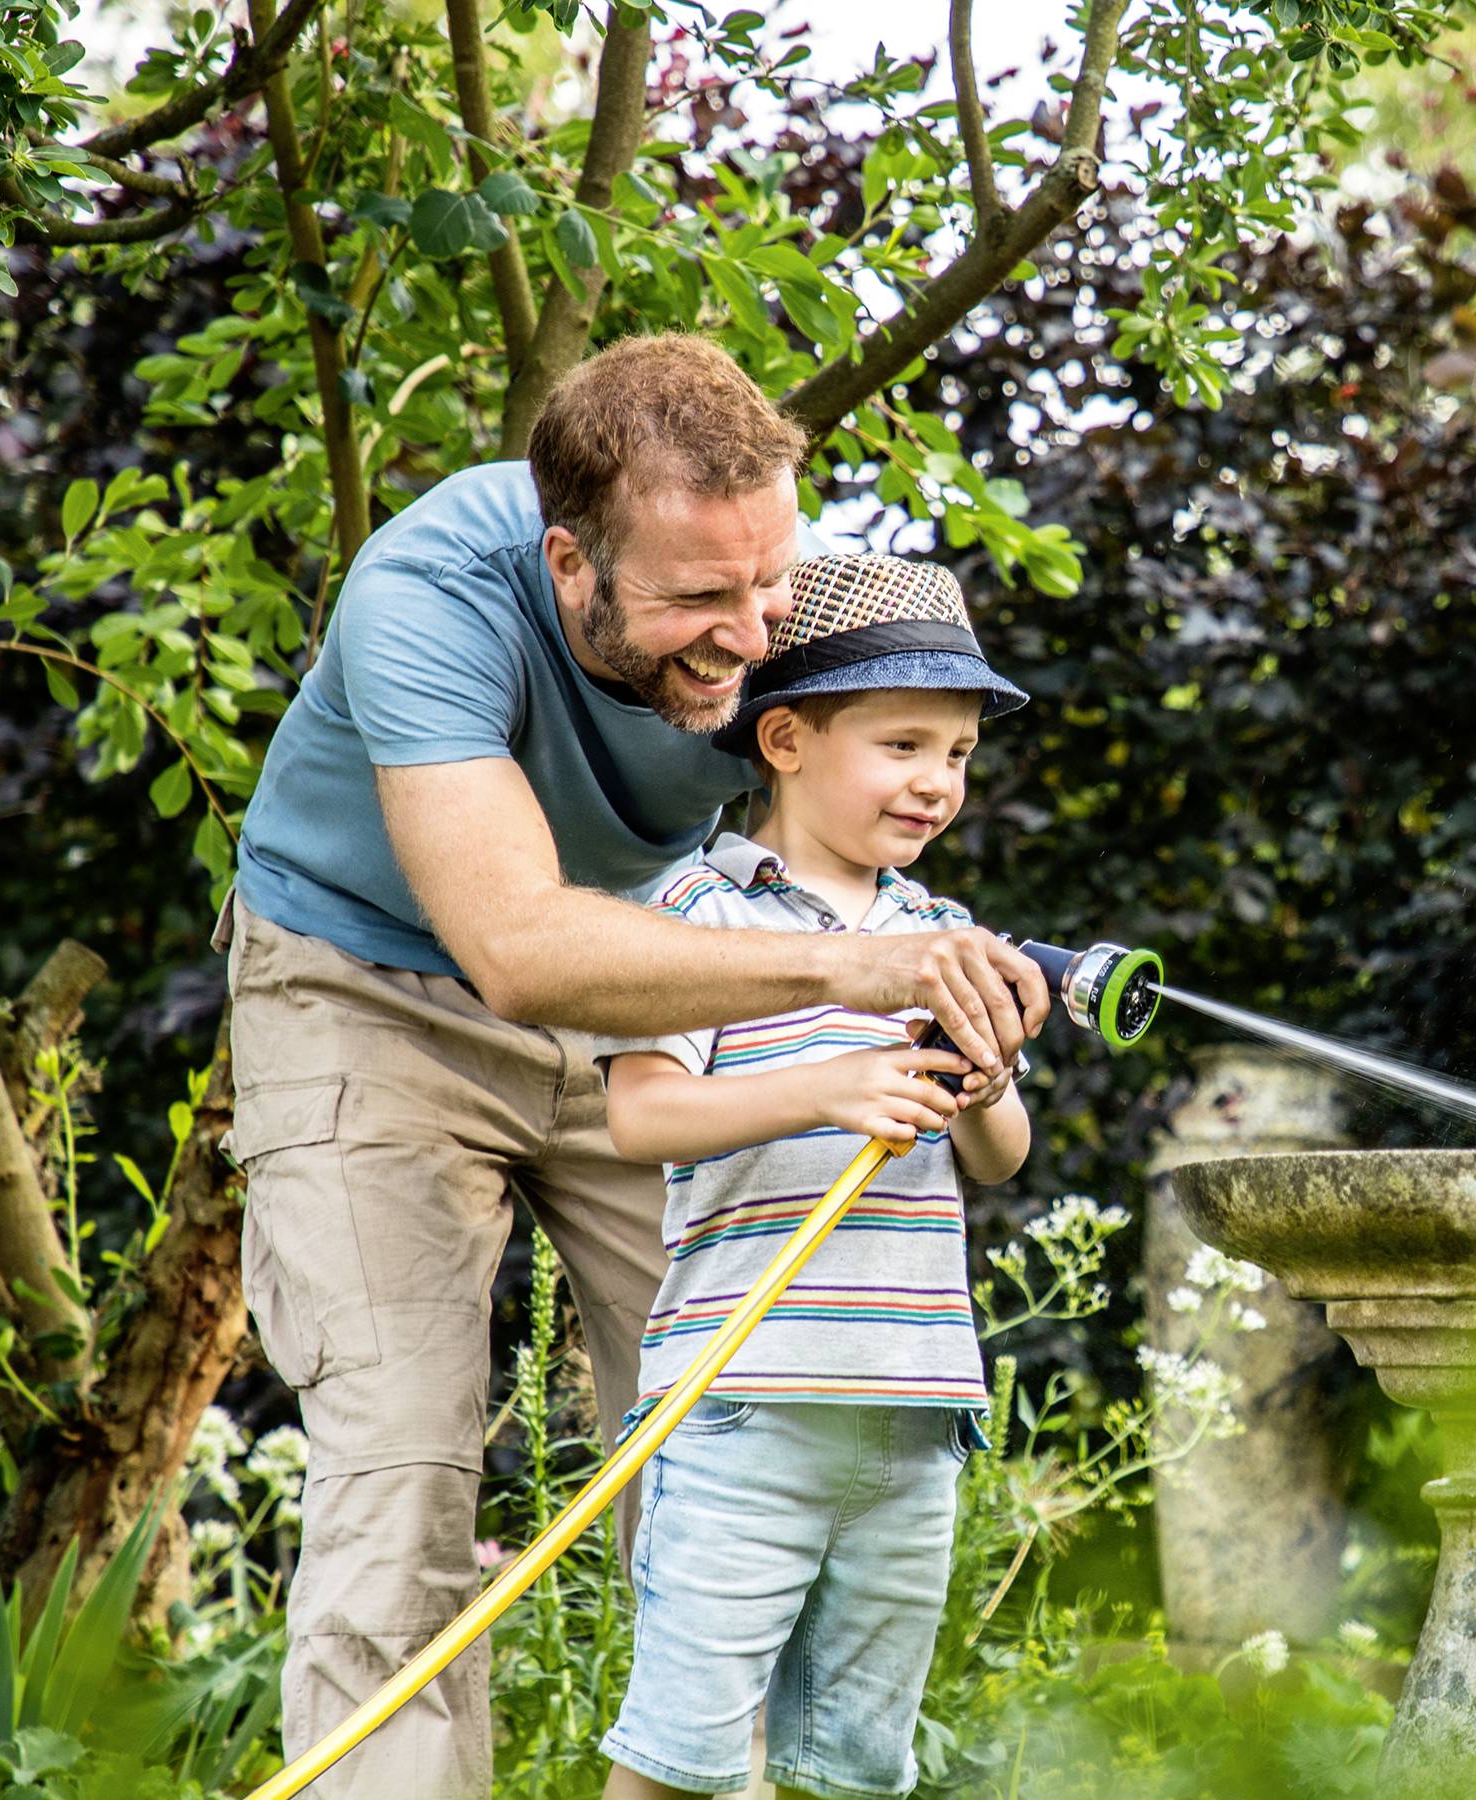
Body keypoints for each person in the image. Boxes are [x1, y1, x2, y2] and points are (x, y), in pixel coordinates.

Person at [220, 334, 1048, 1798]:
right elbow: (525, 952)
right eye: (699, 602)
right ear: (571, 564)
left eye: (771, 582)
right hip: (373, 989)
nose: (752, 636)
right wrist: (853, 973)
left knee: (729, 1456)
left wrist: (945, 971)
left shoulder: (776, 590)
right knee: (402, 1475)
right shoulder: (430, 597)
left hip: (665, 987)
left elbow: (875, 797)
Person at [590, 553, 1033, 1800]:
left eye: (954, 754)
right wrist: (828, 1088)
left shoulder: (940, 935)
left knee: (850, 1774)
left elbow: (1002, 1159)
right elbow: (644, 1118)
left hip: (912, 1410)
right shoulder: (690, 917)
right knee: (680, 1762)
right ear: (783, 738)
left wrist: (988, 1085)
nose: (935, 783)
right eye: (902, 745)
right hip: (745, 1410)